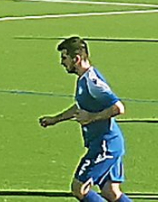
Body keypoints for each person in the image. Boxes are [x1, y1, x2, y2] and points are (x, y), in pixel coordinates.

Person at [39, 37, 133, 202]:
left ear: (76, 59)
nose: (62, 63)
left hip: (105, 146)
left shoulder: (93, 82)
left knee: (79, 188)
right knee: (111, 192)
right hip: (107, 143)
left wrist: (92, 117)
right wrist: (55, 119)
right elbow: (80, 107)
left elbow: (118, 108)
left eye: (64, 58)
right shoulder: (84, 79)